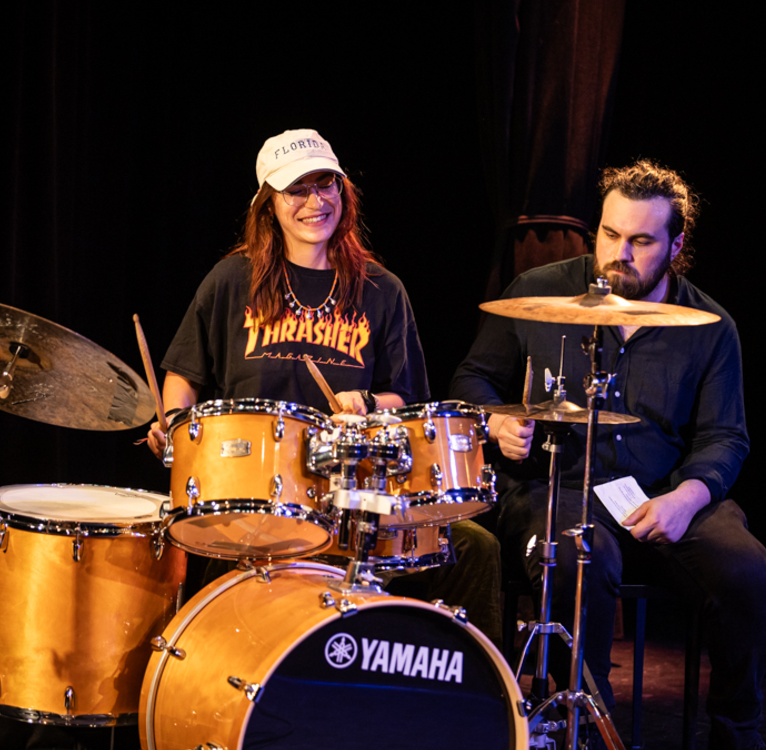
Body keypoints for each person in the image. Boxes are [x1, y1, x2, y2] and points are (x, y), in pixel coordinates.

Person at [450, 159, 766, 750]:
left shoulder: (710, 326)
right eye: (609, 234)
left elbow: (726, 437)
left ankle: (737, 732)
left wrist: (687, 497)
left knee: (749, 574)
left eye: (641, 240)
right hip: (560, 485)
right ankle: (579, 728)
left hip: (662, 492)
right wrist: (497, 421)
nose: (618, 253)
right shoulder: (536, 293)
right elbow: (473, 381)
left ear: (677, 245)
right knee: (580, 553)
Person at [146, 128, 501, 646]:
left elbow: (406, 397)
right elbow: (182, 380)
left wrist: (370, 402)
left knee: (474, 546)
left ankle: (473, 705)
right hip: (251, 499)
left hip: (354, 497)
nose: (316, 202)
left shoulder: (382, 289)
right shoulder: (231, 280)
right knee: (205, 562)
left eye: (326, 186)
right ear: (270, 203)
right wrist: (174, 431)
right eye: (298, 190)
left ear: (342, 192)